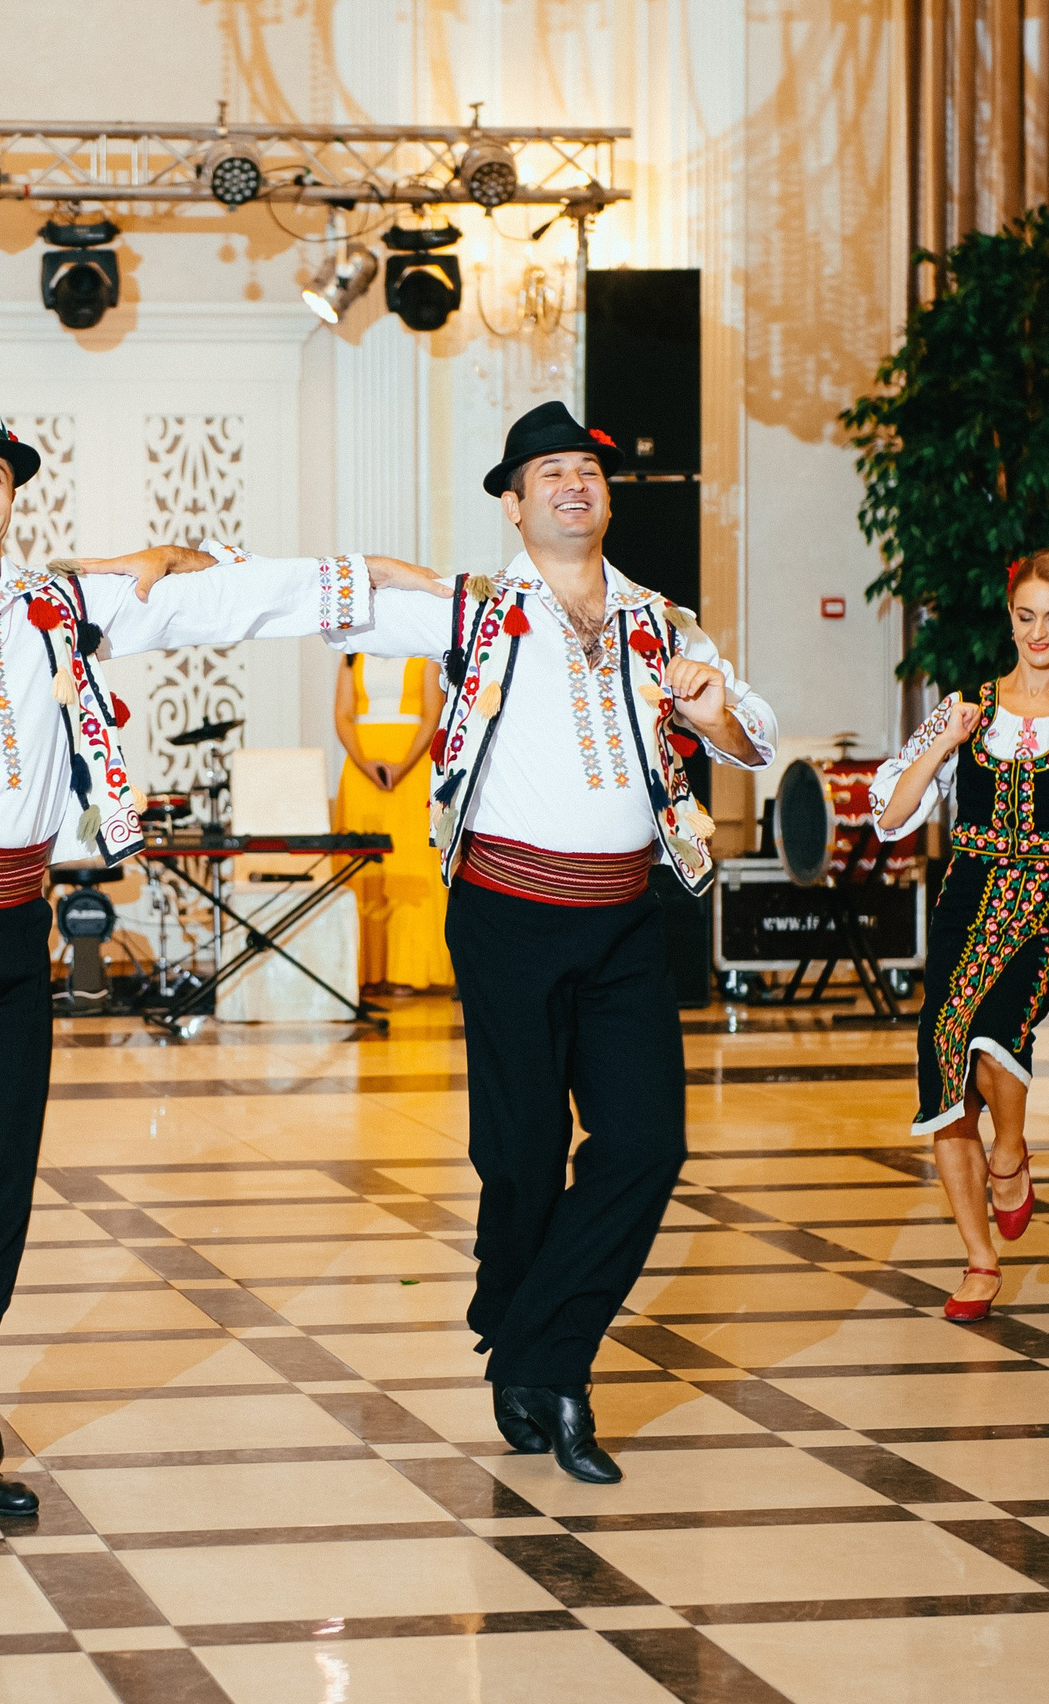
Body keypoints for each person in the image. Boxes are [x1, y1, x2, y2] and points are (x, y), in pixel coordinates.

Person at [0, 398, 429, 1515]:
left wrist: (381, 589)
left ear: (12, 494)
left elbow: (229, 603)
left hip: (11, 923)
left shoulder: (66, 608)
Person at [322, 401, 779, 1484]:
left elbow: (755, 736)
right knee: (518, 1156)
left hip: (623, 916)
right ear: (513, 503)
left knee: (645, 1148)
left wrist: (710, 711)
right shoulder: (473, 613)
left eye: (587, 469)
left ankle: (546, 1359)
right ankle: (526, 1336)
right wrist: (170, 574)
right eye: (549, 472)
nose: (573, 483)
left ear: (605, 496)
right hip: (507, 911)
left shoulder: (662, 621)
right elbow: (335, 608)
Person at [871, 548, 1049, 1323]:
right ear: (1011, 617)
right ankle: (977, 1257)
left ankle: (1010, 1153)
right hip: (966, 894)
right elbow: (893, 814)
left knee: (996, 1030)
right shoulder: (966, 707)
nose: (1039, 632)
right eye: (1027, 616)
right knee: (944, 1057)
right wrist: (943, 741)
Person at [334, 652, 451, 990]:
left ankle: (411, 972)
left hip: (412, 768)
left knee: (412, 862)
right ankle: (363, 972)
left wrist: (402, 766)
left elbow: (433, 714)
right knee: (364, 869)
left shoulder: (423, 654)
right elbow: (342, 716)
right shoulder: (351, 656)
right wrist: (363, 761)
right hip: (361, 767)